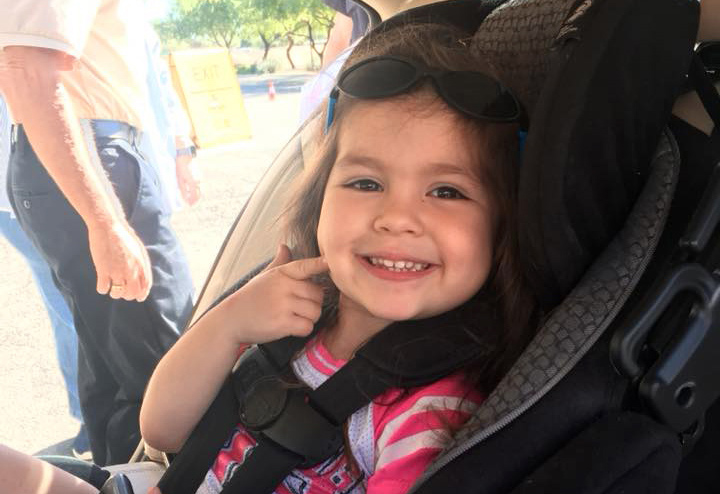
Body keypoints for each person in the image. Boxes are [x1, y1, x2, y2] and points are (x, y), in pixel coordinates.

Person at [140, 22, 537, 493]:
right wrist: (228, 326)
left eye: (447, 191)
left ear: (499, 229)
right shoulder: (281, 314)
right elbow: (164, 432)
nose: (397, 217)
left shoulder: (429, 415)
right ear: (319, 200)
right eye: (366, 183)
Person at [0, 0, 194, 466]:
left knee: (113, 363)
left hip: (89, 150)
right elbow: (24, 69)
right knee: (167, 366)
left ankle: (121, 473)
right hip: (92, 152)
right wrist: (105, 221)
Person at [0, 95, 90, 459]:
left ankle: (92, 420)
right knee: (74, 307)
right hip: (39, 182)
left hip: (32, 182)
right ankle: (94, 420)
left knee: (70, 306)